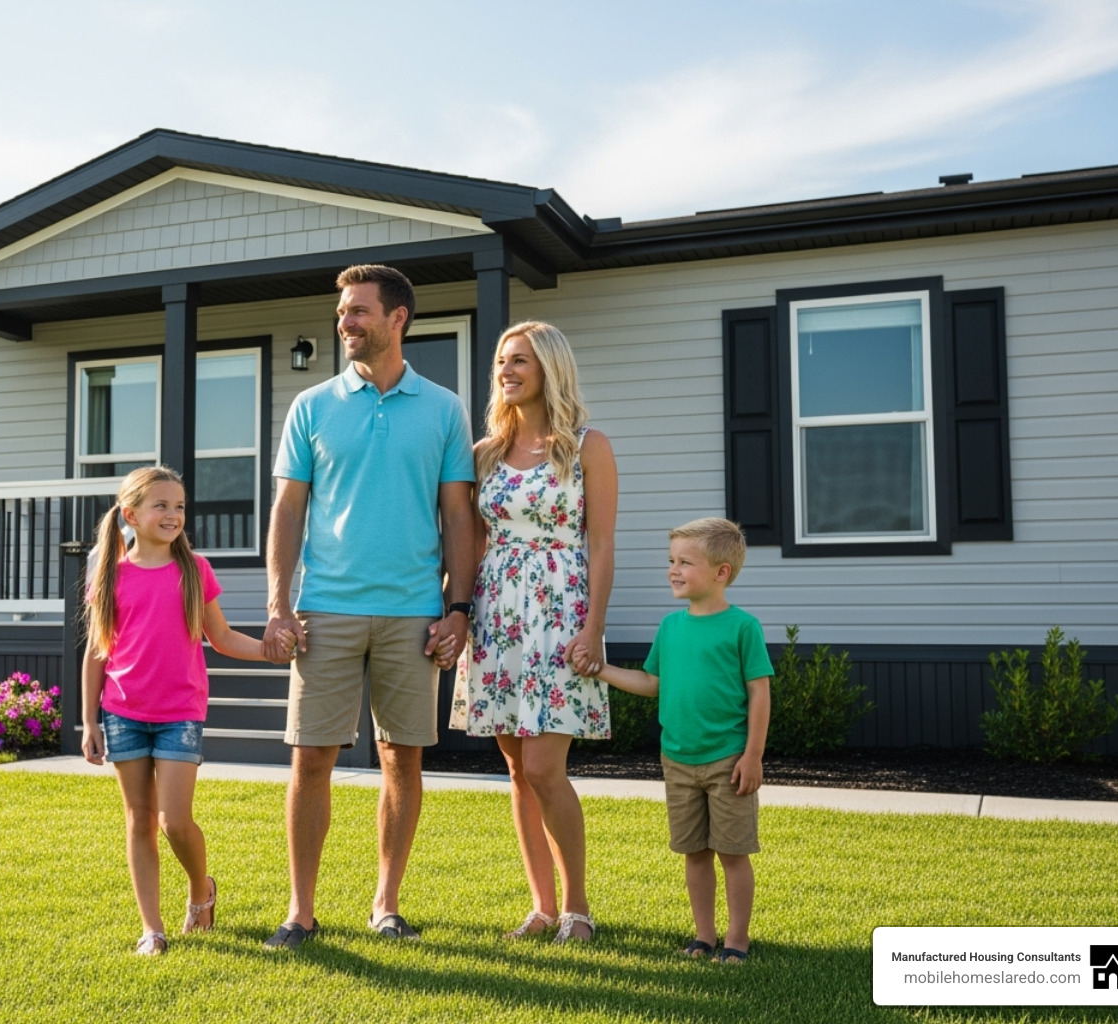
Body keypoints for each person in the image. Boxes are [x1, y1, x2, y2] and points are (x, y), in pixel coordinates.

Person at [260, 264, 477, 950]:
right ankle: (300, 910)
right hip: (324, 610)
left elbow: (459, 518)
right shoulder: (313, 406)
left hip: (415, 612)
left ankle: (386, 904)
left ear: (397, 318)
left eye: (358, 311)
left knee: (401, 760)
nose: (345, 322)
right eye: (342, 312)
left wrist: (458, 608)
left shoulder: (443, 409)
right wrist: (278, 603)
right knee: (310, 760)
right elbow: (288, 511)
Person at [448, 320, 617, 944]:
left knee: (546, 766)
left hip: (560, 610)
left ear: (549, 367)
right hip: (497, 615)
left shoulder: (586, 446)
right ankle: (541, 906)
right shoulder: (484, 453)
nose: (506, 371)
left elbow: (601, 544)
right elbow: (472, 542)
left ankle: (577, 906)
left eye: (519, 360)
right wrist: (456, 611)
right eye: (500, 362)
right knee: (517, 770)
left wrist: (594, 627)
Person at [80, 466, 295, 957]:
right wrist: (91, 720)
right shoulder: (111, 575)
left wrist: (269, 650)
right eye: (161, 506)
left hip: (180, 711)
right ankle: (152, 929)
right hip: (123, 712)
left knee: (173, 821)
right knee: (138, 820)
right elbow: (97, 651)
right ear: (131, 514)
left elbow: (220, 637)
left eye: (179, 506)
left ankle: (202, 889)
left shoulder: (194, 570)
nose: (173, 515)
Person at [571, 517, 773, 964]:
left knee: (733, 853)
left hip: (728, 759)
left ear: (721, 572)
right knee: (694, 852)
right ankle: (704, 935)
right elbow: (650, 681)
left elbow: (760, 691)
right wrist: (600, 670)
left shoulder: (742, 627)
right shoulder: (670, 627)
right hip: (677, 761)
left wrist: (753, 755)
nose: (673, 570)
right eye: (671, 561)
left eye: (685, 562)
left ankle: (737, 939)